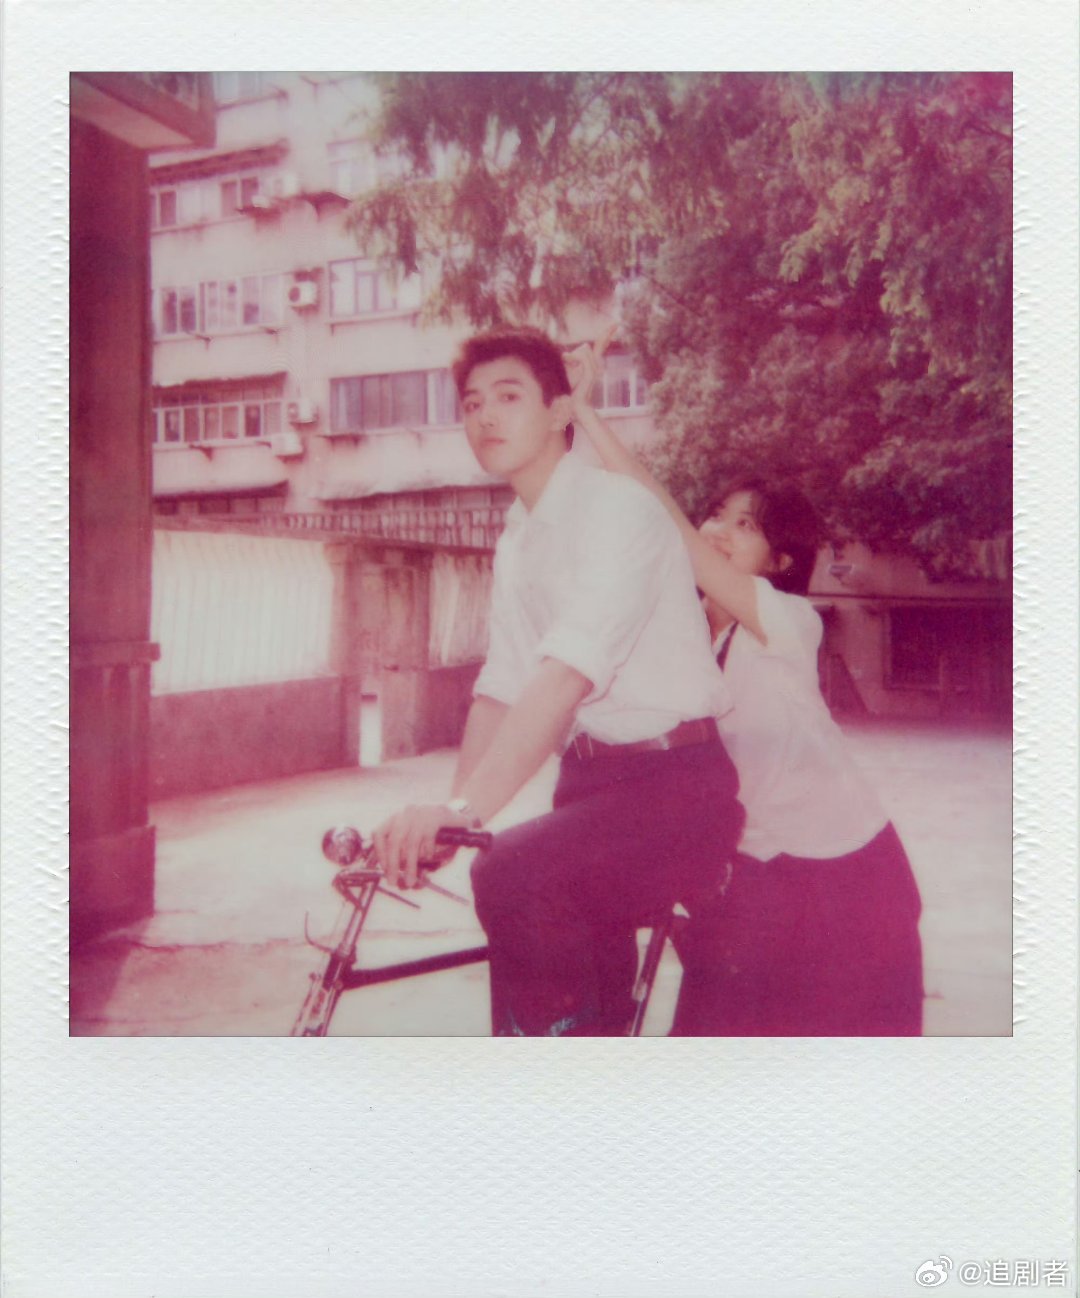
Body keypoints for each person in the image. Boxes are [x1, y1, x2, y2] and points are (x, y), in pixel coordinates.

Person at [372, 326, 744, 1036]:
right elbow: (502, 689)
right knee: (584, 993)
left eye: (508, 396)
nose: (485, 416)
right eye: (472, 403)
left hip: (677, 789)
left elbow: (564, 676)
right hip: (591, 790)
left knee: (511, 874)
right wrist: (453, 813)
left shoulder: (621, 511)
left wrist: (464, 814)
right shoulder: (519, 537)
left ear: (560, 411)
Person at [566, 334, 924, 1036]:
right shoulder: (689, 644)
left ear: (780, 560)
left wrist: (585, 412)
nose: (718, 531)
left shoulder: (788, 624)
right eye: (716, 516)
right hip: (754, 877)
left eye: (745, 525)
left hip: (851, 879)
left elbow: (664, 523)